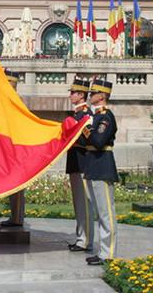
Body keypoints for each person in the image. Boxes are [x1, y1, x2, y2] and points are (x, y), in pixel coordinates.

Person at [82, 79, 119, 266]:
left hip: (102, 166)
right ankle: (103, 251)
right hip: (92, 166)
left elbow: (98, 141)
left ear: (102, 96)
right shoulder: (95, 117)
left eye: (93, 92)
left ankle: (109, 253)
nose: (90, 96)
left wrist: (86, 128)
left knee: (106, 213)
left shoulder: (106, 117)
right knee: (99, 212)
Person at [65, 77, 93, 252]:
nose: (70, 95)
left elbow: (87, 140)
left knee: (84, 204)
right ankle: (81, 237)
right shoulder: (76, 114)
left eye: (73, 93)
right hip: (75, 163)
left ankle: (86, 240)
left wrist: (71, 136)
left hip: (83, 163)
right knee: (78, 203)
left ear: (81, 95)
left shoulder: (86, 115)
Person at [0, 70, 25, 227]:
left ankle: (17, 218)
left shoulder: (14, 101)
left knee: (16, 185)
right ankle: (15, 216)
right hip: (9, 148)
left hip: (15, 149)